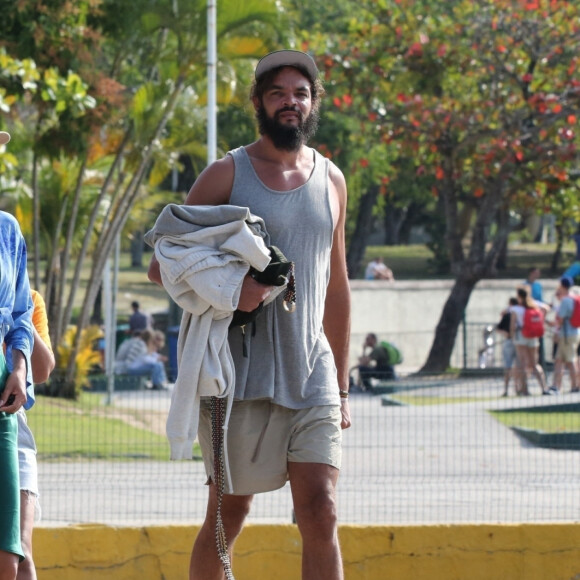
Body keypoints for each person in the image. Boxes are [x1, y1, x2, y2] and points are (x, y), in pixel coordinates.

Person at [148, 49, 351, 580]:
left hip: (312, 372)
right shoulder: (227, 174)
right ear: (259, 103)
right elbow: (162, 263)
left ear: (312, 104)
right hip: (238, 375)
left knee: (321, 509)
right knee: (227, 514)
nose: (291, 102)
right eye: (278, 93)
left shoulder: (331, 180)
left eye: (300, 93)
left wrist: (343, 386)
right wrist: (231, 286)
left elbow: (337, 287)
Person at [0, 200, 34, 580]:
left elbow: (21, 314)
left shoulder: (7, 228)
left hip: (2, 390)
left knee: (9, 556)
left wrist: (19, 366)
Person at [17, 290, 55, 580]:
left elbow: (42, 371)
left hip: (13, 427)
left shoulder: (30, 299)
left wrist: (18, 315)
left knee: (20, 550)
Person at [510, 286, 548, 396]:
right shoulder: (535, 305)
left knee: (522, 363)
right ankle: (544, 387)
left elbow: (512, 326)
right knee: (534, 363)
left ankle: (524, 389)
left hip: (521, 336)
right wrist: (542, 321)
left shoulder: (516, 309)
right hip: (533, 336)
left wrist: (512, 336)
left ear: (518, 296)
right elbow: (546, 308)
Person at [548, 277, 579, 394]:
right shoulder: (575, 298)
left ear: (562, 286)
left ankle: (575, 386)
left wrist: (553, 325)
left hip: (567, 334)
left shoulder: (566, 300)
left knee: (570, 361)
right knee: (559, 360)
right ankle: (557, 386)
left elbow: (560, 319)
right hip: (572, 333)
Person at [496, 298, 518, 397]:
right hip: (519, 341)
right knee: (517, 366)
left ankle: (506, 389)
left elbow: (498, 328)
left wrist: (507, 334)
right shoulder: (521, 313)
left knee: (508, 366)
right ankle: (517, 388)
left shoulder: (508, 315)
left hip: (509, 341)